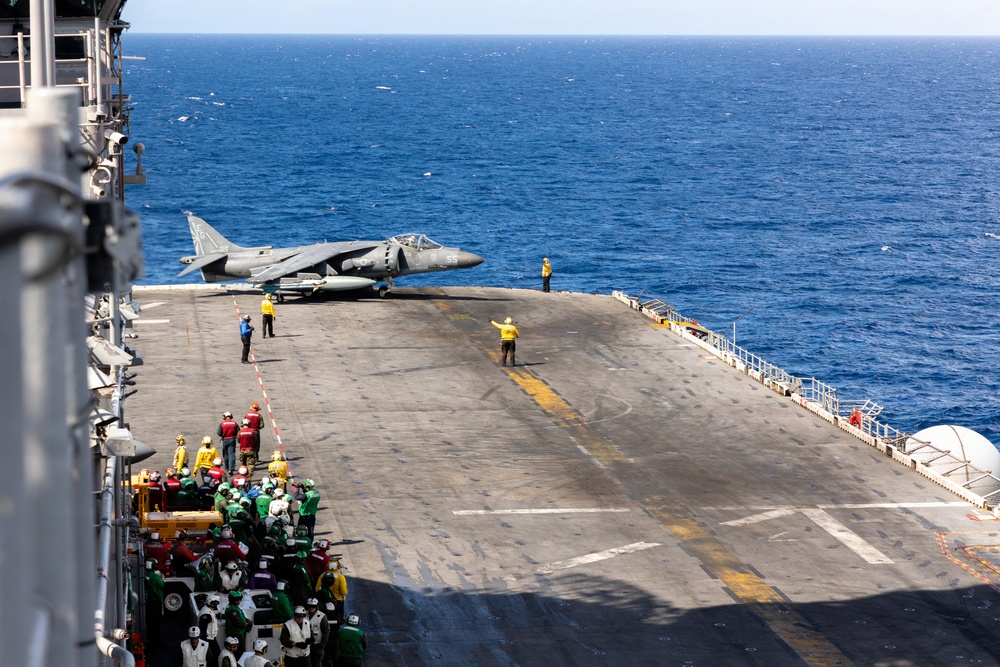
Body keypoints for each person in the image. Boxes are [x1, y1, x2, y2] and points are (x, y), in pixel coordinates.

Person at [223, 590, 252, 656]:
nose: (239, 600)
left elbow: (242, 618)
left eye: (240, 599)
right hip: (236, 634)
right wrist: (247, 623)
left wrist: (247, 621)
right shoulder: (232, 609)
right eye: (236, 599)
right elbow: (239, 623)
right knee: (240, 653)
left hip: (239, 633)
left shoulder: (235, 607)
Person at [197, 593, 222, 665]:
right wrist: (204, 641)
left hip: (210, 638)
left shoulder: (206, 610)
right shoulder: (206, 614)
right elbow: (203, 628)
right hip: (209, 639)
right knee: (215, 657)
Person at [144, 560, 164, 646]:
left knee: (150, 620)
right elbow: (162, 584)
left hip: (149, 600)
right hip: (156, 600)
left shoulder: (145, 575)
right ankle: (156, 640)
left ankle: (151, 637)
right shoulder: (155, 577)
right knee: (157, 621)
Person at [305, 598, 330, 667]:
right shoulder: (303, 615)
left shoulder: (322, 617)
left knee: (316, 664)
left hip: (317, 645)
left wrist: (322, 646)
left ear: (317, 607)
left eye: (313, 606)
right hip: (305, 644)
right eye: (309, 606)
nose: (311, 608)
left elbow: (326, 632)